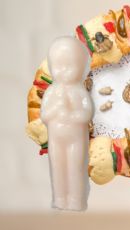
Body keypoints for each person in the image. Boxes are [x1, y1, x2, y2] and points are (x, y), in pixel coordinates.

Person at [40, 36, 94, 211]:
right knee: (58, 167)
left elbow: (87, 114)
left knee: (75, 167)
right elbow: (45, 115)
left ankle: (76, 199)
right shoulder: (52, 92)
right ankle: (60, 198)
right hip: (56, 138)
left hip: (76, 138)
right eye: (58, 66)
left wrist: (72, 114)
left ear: (81, 68)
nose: (64, 71)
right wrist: (56, 110)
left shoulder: (79, 91)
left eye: (70, 66)